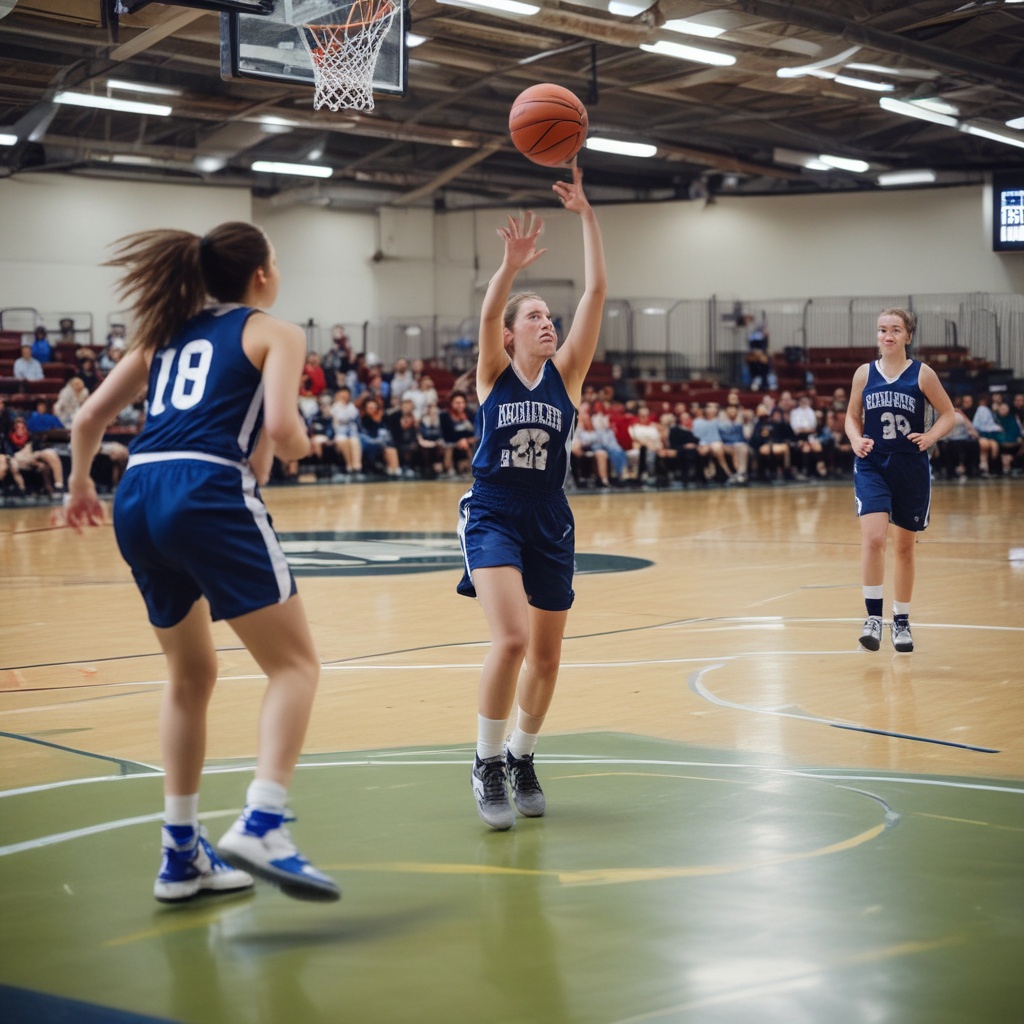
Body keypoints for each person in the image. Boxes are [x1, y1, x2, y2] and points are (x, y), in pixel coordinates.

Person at [62, 220, 339, 903]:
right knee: (296, 666)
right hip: (202, 491)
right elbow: (281, 428)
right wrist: (306, 444)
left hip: (137, 494)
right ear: (262, 275)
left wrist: (78, 486)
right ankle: (265, 819)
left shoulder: (165, 332)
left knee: (190, 674)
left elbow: (87, 420)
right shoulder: (274, 329)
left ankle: (180, 854)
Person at [457, 165, 606, 831]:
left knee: (548, 654)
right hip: (492, 509)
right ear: (514, 333)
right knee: (512, 637)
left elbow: (599, 290)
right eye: (537, 317)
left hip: (550, 514)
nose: (548, 323)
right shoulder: (493, 372)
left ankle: (522, 755)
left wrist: (587, 217)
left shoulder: (565, 376)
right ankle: (486, 761)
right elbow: (490, 311)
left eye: (551, 316)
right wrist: (509, 270)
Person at [845, 308, 955, 654]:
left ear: (908, 335)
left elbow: (949, 414)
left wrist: (931, 436)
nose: (887, 336)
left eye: (894, 330)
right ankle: (873, 618)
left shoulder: (922, 375)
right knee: (874, 537)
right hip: (873, 463)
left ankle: (902, 621)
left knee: (905, 547)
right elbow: (851, 416)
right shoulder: (864, 374)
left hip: (910, 466)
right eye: (881, 330)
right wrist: (854, 439)